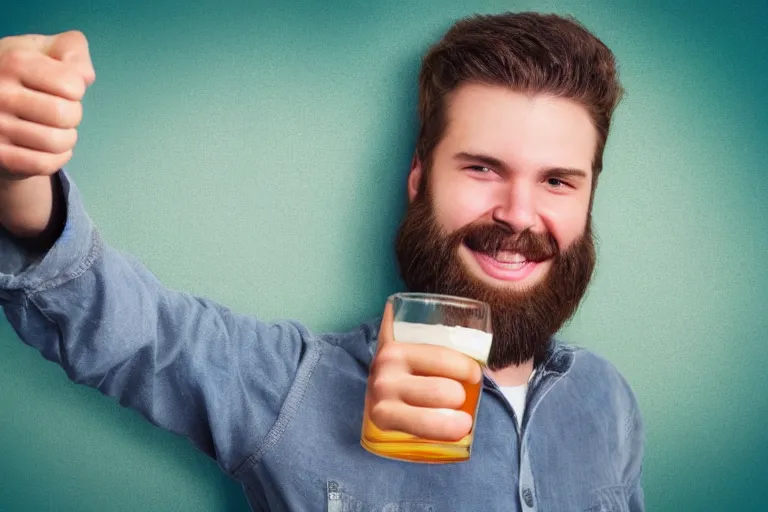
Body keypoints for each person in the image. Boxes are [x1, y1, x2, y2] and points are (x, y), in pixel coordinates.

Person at [0, 11, 644, 511]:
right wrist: (18, 179)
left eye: (558, 182)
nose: (518, 214)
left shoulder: (609, 402)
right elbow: (136, 332)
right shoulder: (293, 389)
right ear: (419, 181)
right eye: (481, 168)